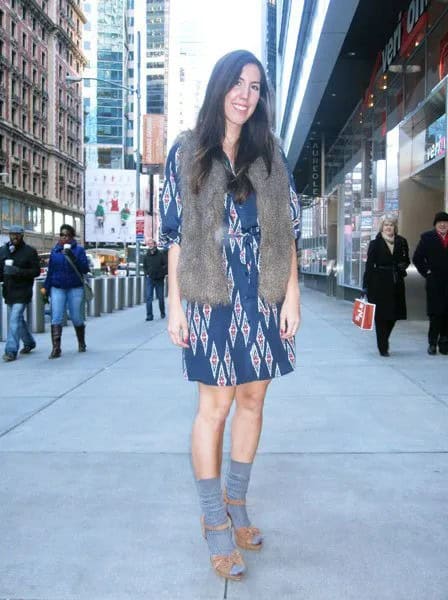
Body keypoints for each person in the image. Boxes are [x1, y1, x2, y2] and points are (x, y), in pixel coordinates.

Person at [159, 50, 301, 581]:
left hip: (262, 290)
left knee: (253, 398)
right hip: (209, 291)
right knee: (213, 407)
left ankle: (236, 503)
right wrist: (176, 306)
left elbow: (285, 231)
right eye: (237, 83)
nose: (246, 94)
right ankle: (214, 521)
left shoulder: (269, 152)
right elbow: (173, 235)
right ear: (219, 87)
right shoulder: (187, 150)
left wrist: (293, 297)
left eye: (255, 86)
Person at [362, 214, 410, 356]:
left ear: (395, 227)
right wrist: (366, 286)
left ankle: (385, 338)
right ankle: (383, 346)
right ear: (382, 227)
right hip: (378, 283)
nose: (389, 227)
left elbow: (406, 259)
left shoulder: (402, 241)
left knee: (394, 315)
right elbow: (369, 265)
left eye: (391, 225)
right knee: (381, 316)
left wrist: (402, 266)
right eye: (386, 225)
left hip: (396, 282)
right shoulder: (375, 243)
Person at [44, 224, 90, 359]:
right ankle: (56, 348)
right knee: (56, 317)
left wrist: (73, 257)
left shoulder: (79, 250)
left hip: (75, 287)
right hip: (57, 287)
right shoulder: (55, 251)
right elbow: (50, 271)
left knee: (76, 317)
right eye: (62, 235)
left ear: (72, 237)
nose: (64, 238)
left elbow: (85, 269)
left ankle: (81, 342)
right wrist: (46, 288)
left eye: (67, 235)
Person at [0, 225, 40, 361]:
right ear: (9, 235)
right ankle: (29, 342)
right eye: (12, 234)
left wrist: (17, 271)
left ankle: (11, 351)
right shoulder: (3, 250)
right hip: (9, 291)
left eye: (17, 234)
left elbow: (36, 271)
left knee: (14, 318)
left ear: (22, 235)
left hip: (23, 290)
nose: (14, 236)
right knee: (17, 320)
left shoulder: (30, 251)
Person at [413, 211, 448, 355]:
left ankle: (444, 343)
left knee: (447, 314)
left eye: (446, 222)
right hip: (434, 282)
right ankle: (432, 343)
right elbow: (417, 258)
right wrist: (427, 272)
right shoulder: (427, 237)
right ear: (435, 224)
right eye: (440, 222)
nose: (443, 224)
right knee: (435, 314)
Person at [143, 242, 167, 321]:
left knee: (160, 298)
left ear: (155, 245)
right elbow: (144, 266)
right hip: (150, 279)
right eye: (149, 244)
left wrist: (162, 273)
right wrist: (146, 274)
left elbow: (166, 265)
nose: (150, 245)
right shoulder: (146, 255)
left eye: (151, 244)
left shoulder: (160, 254)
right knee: (148, 298)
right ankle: (149, 316)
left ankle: (162, 312)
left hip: (159, 279)